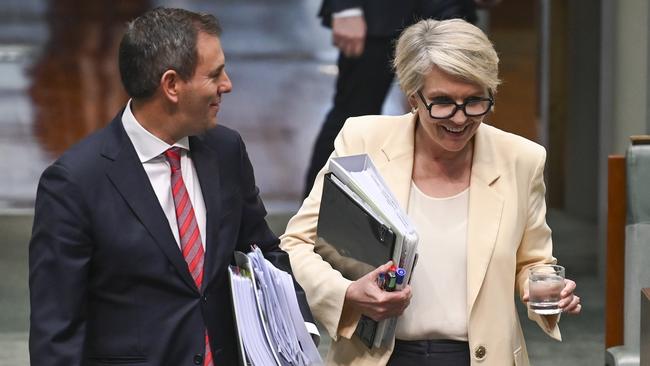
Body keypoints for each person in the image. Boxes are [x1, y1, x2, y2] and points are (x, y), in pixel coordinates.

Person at [281, 18, 580, 366]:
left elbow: (533, 260)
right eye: (442, 102)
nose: (459, 118)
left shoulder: (520, 159)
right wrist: (346, 294)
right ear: (412, 98)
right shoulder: (364, 143)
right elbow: (297, 244)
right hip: (378, 356)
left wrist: (541, 289)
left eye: (474, 101)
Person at [28, 7, 315, 366]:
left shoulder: (226, 152)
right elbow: (57, 332)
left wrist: (300, 331)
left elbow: (263, 253)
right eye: (215, 74)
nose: (227, 85)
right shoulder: (74, 183)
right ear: (172, 85)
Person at [303, 0, 500, 197]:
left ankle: (455, 203)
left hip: (450, 6)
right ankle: (321, 212)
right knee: (352, 112)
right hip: (377, 13)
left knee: (462, 108)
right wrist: (345, 7)